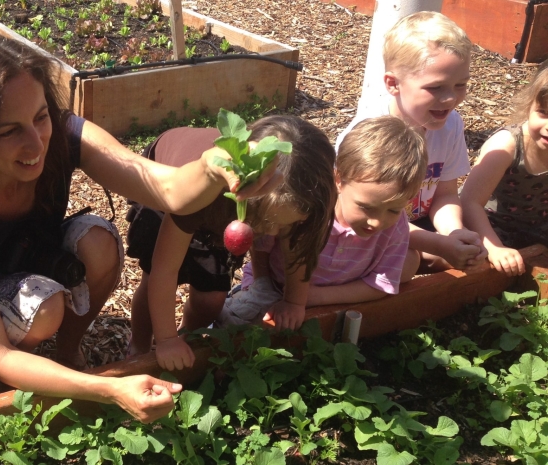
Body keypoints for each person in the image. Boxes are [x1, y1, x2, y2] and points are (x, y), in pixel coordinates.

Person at [0, 34, 281, 423]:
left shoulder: (65, 135)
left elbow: (167, 189)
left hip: (36, 260)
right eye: (9, 131)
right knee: (43, 309)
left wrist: (211, 167)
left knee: (100, 241)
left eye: (40, 117)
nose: (36, 142)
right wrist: (109, 389)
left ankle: (67, 353)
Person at [125, 115, 336, 370]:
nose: (274, 233)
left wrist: (294, 302)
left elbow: (295, 248)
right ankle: (139, 346)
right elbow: (164, 270)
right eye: (268, 223)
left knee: (211, 298)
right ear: (247, 193)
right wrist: (165, 340)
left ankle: (188, 337)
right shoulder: (202, 193)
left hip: (227, 216)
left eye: (285, 226)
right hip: (167, 187)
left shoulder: (301, 198)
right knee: (152, 278)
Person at [220, 116, 428, 328]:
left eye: (393, 210)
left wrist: (312, 298)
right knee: (238, 326)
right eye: (366, 207)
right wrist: (264, 285)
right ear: (339, 180)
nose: (377, 221)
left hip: (335, 296)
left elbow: (381, 283)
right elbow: (261, 246)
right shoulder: (308, 208)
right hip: (276, 286)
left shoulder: (396, 226)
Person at [335, 11, 486, 273]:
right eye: (436, 87)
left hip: (414, 223)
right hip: (369, 225)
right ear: (393, 83)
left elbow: (445, 193)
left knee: (468, 255)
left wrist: (453, 231)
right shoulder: (371, 135)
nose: (450, 99)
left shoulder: (450, 125)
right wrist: (439, 244)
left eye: (460, 85)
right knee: (409, 263)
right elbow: (364, 215)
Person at [461, 63, 548, 276]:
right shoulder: (507, 146)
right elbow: (469, 201)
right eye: (543, 112)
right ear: (529, 106)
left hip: (538, 226)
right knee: (469, 259)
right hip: (491, 224)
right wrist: (494, 248)